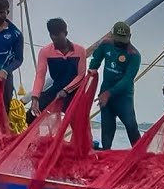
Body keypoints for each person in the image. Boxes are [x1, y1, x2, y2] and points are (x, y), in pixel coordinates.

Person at [87, 21, 142, 149]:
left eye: (123, 40)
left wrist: (109, 93)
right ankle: (106, 151)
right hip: (105, 93)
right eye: (118, 40)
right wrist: (92, 69)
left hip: (123, 96)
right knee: (107, 126)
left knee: (131, 125)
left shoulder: (134, 55)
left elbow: (128, 79)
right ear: (112, 35)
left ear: (129, 37)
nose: (120, 43)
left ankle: (140, 152)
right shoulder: (106, 44)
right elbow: (95, 60)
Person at [29, 18, 87, 121]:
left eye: (57, 34)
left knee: (77, 120)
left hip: (75, 92)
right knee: (31, 115)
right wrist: (35, 97)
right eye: (51, 34)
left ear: (65, 33)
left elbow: (81, 75)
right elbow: (40, 75)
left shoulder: (80, 50)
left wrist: (66, 90)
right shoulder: (45, 51)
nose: (54, 37)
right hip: (57, 89)